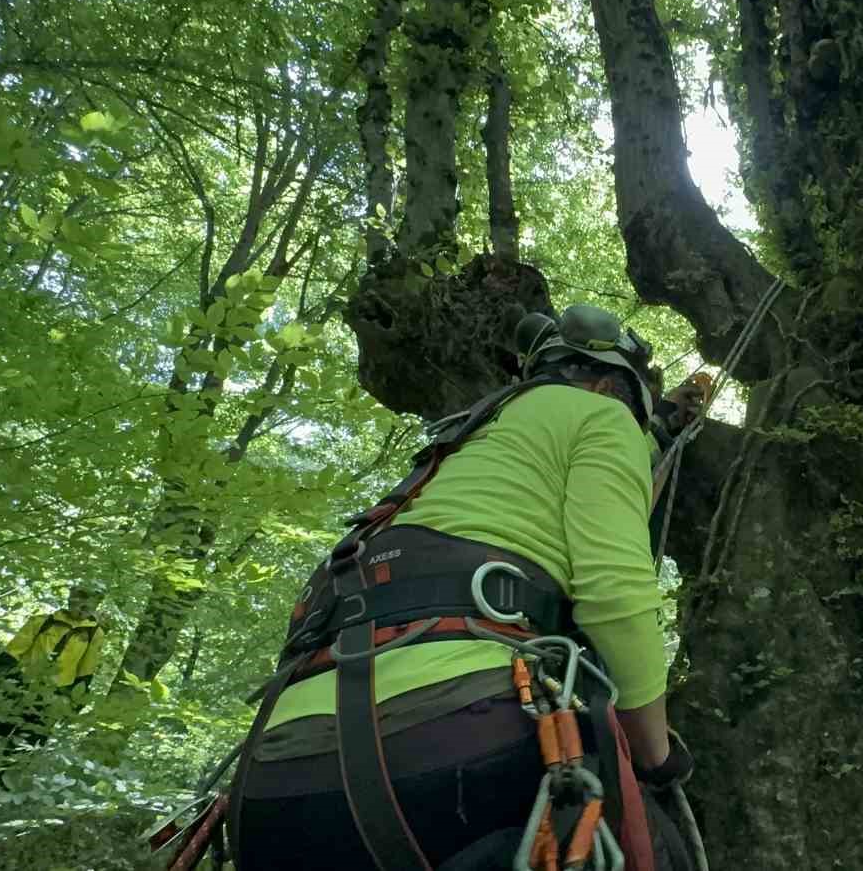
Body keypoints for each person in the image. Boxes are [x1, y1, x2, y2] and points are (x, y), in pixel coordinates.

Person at [229, 305, 696, 871]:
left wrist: (667, 425)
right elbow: (615, 590)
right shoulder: (602, 416)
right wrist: (656, 751)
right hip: (457, 745)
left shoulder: (457, 449)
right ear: (609, 386)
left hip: (272, 782)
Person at [0, 583, 106, 819]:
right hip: (16, 691)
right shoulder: (42, 621)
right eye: (79, 596)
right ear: (70, 597)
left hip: (50, 701)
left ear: (96, 604)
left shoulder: (94, 634)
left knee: (17, 755)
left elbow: (85, 672)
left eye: (90, 600)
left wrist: (72, 706)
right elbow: (12, 652)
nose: (83, 604)